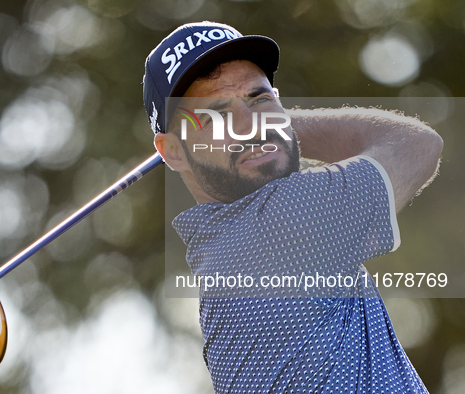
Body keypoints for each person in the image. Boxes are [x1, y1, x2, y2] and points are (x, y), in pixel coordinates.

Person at [143, 21, 443, 393]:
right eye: (214, 116)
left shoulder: (218, 249)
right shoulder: (283, 221)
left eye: (259, 98)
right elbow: (416, 144)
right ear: (173, 151)